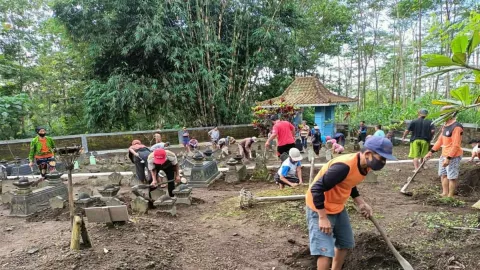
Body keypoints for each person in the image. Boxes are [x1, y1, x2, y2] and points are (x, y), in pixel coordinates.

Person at [305, 136, 397, 270]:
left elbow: (349, 182)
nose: (383, 161)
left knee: (345, 243)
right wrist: (322, 217)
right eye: (381, 158)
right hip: (319, 207)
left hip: (337, 206)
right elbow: (316, 189)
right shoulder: (342, 167)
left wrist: (361, 202)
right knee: (324, 251)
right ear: (368, 154)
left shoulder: (365, 165)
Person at [424, 109, 463, 198]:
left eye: (442, 115)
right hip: (444, 154)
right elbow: (440, 140)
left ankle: (450, 196)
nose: (441, 117)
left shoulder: (457, 127)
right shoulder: (445, 126)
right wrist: (431, 152)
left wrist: (448, 158)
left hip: (453, 156)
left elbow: (456, 145)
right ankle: (445, 193)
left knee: (451, 177)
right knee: (443, 174)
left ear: (449, 114)